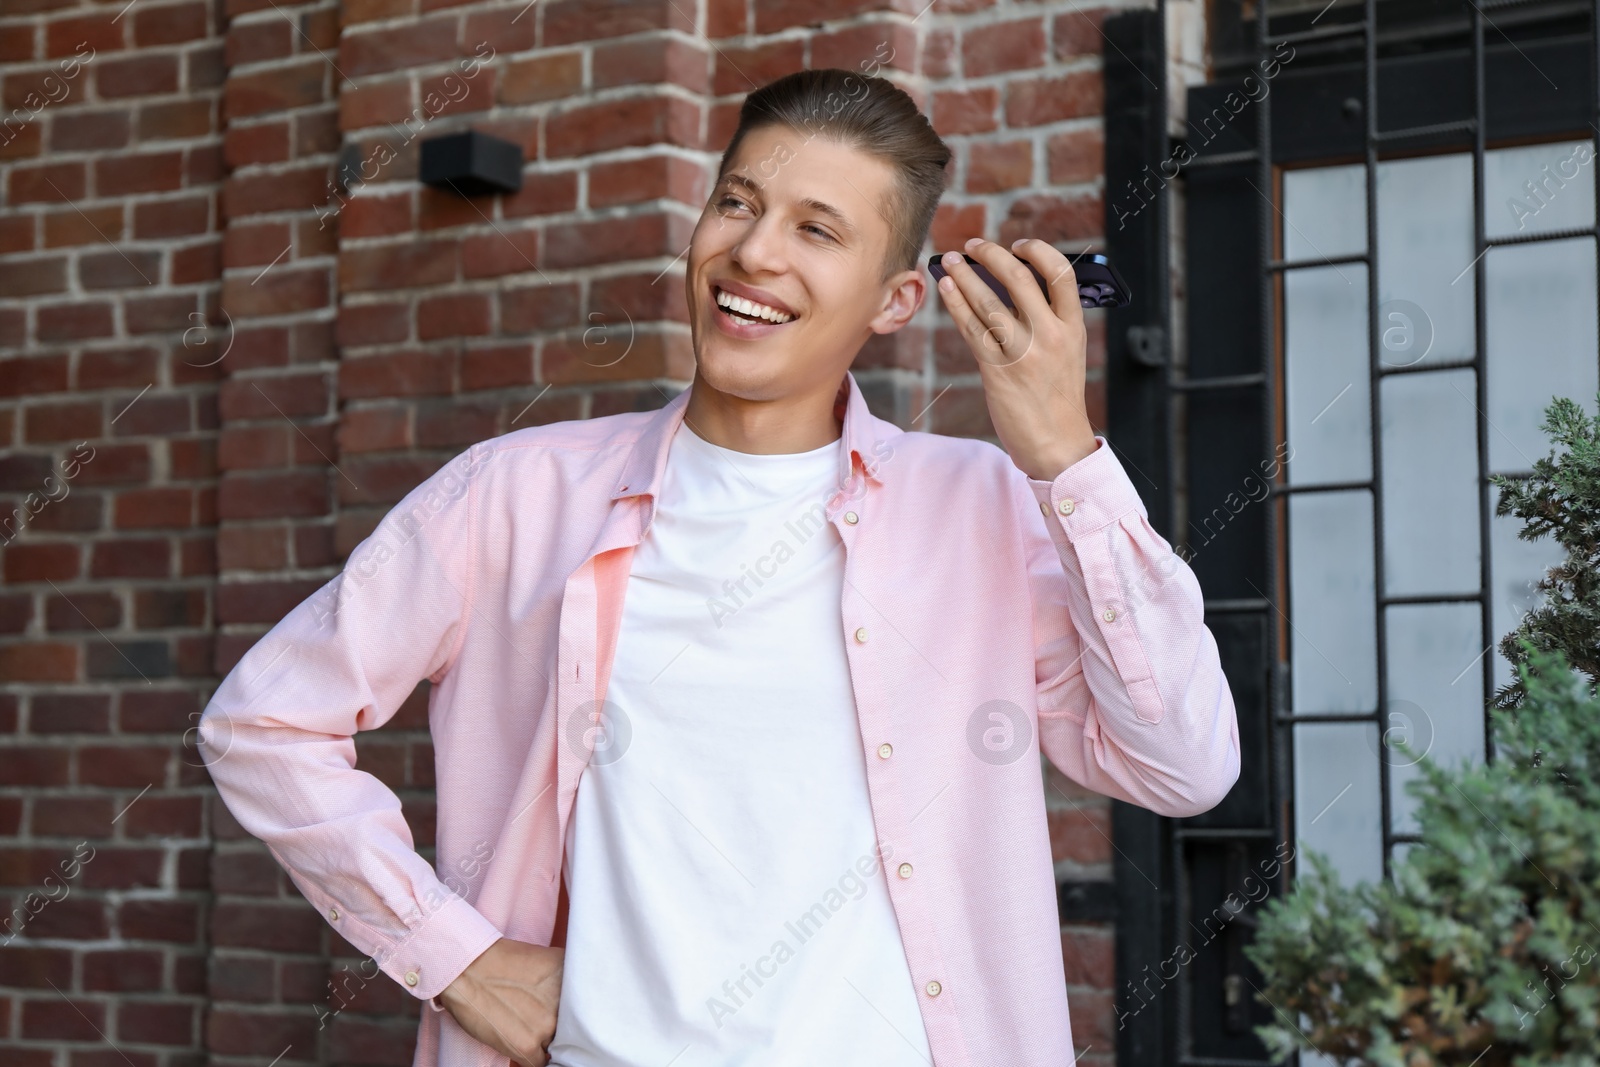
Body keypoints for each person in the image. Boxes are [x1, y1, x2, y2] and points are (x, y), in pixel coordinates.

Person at [198, 68, 1240, 1067]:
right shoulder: (515, 496)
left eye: (815, 228)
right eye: (736, 203)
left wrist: (1064, 456)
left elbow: (1181, 764)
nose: (754, 253)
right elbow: (262, 722)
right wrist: (454, 954)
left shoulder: (981, 506)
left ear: (894, 301)